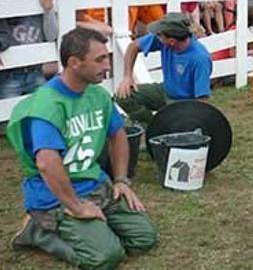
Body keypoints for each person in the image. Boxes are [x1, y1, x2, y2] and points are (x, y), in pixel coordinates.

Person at [7, 28, 157, 268]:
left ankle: (94, 227)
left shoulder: (97, 95)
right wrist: (75, 207)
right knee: (106, 257)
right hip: (57, 195)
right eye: (100, 59)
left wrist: (121, 180)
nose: (108, 65)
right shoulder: (47, 105)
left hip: (95, 184)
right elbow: (46, 163)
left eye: (107, 57)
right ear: (74, 63)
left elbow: (118, 134)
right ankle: (38, 232)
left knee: (144, 238)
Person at [115, 12, 213, 126]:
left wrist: (194, 120)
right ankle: (152, 126)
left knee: (176, 130)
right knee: (123, 96)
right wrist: (127, 76)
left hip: (185, 104)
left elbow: (202, 99)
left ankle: (159, 128)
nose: (156, 36)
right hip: (166, 91)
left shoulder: (200, 58)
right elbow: (133, 46)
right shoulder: (165, 39)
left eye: (159, 35)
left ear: (171, 41)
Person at [0, 0, 59, 99]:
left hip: (36, 70)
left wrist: (48, 9)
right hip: (9, 70)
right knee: (9, 119)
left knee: (40, 115)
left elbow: (52, 35)